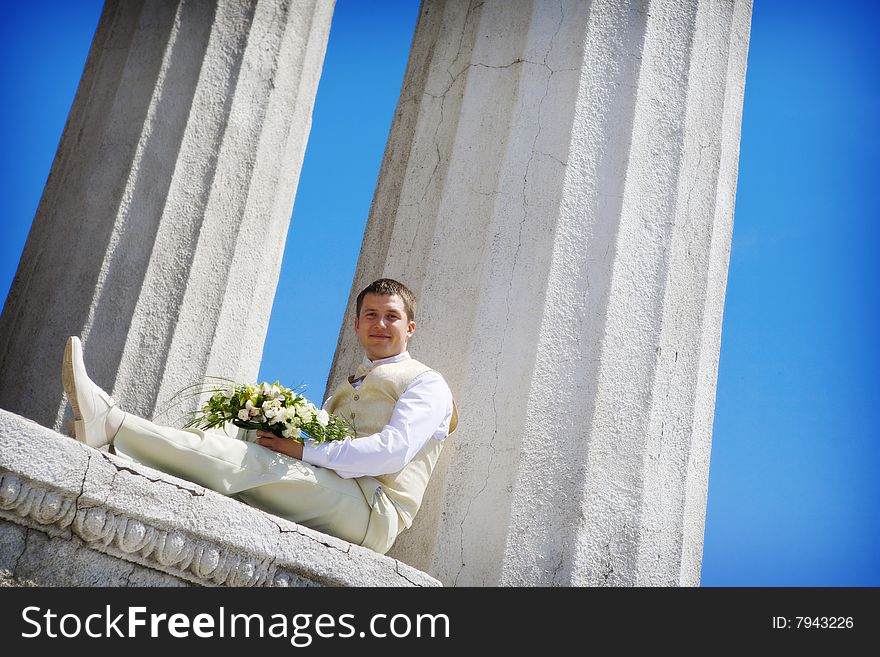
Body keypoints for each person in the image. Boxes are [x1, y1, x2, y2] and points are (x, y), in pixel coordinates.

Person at [61, 278, 457, 554]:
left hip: (372, 509)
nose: (380, 324)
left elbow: (392, 452)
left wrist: (301, 451)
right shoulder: (348, 385)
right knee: (243, 430)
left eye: (390, 316)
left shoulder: (428, 384)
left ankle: (114, 425)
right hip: (334, 490)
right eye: (370, 316)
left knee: (254, 463)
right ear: (356, 326)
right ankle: (137, 454)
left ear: (410, 328)